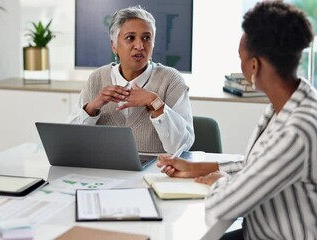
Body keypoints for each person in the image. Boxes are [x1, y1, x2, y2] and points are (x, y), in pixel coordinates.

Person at [157, 1, 316, 239]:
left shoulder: (297, 130)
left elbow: (224, 205)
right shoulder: (287, 104)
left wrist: (220, 180)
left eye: (240, 58)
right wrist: (197, 167)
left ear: (254, 65)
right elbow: (259, 164)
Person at [67, 6, 194, 153]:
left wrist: (156, 104)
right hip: (103, 171)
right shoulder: (96, 79)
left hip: (154, 173)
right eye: (130, 38)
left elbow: (181, 147)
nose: (140, 46)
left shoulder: (171, 80)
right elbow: (71, 141)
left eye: (146, 38)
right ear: (114, 46)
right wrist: (92, 107)